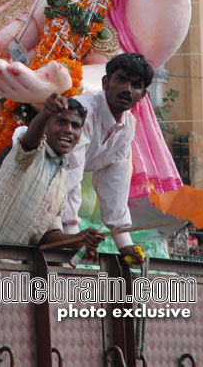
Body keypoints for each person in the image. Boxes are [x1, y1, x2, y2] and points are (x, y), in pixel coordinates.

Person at [0, 92, 104, 257]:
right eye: (61, 122)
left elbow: (47, 234)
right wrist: (46, 112)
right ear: (47, 125)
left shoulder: (64, 177)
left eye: (75, 125)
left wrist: (77, 240)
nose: (68, 130)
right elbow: (30, 140)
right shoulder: (31, 152)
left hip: (11, 269)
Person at [62, 52, 153, 263]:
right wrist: (73, 233)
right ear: (105, 82)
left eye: (136, 85)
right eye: (120, 80)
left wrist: (124, 243)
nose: (127, 90)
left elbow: (116, 184)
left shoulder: (127, 125)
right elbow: (69, 174)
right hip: (25, 178)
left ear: (143, 95)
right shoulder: (83, 112)